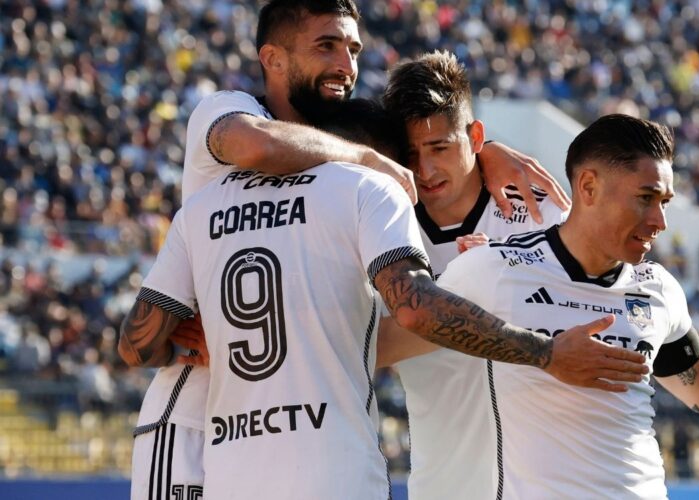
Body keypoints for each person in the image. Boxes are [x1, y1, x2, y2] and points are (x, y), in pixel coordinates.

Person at [125, 1, 569, 497]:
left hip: (300, 448)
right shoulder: (232, 112)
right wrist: (367, 161)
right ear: (271, 58)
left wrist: (481, 154)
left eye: (354, 48)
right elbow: (258, 145)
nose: (346, 64)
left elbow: (362, 332)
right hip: (195, 423)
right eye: (327, 46)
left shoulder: (351, 184)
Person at [432, 114, 699, 499]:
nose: (660, 221)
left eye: (665, 202)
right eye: (646, 198)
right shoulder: (493, 268)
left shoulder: (657, 287)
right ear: (588, 187)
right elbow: (403, 328)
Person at [376, 50, 643, 500]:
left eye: (440, 148)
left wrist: (502, 279)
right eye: (410, 153)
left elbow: (593, 317)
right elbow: (367, 345)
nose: (425, 170)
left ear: (476, 136)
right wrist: (473, 288)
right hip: (445, 486)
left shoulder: (540, 210)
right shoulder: (383, 225)